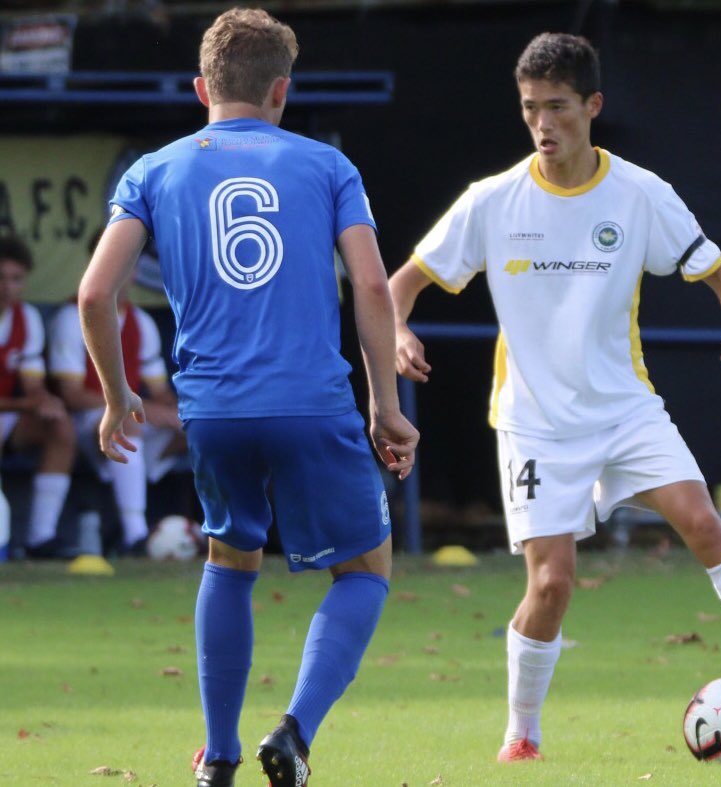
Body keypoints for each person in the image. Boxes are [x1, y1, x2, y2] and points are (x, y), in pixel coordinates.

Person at [388, 32, 721, 763]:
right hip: (534, 422)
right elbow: (399, 285)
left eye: (558, 107)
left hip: (624, 409)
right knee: (554, 583)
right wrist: (400, 330)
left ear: (592, 106)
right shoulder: (493, 201)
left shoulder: (640, 193)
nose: (543, 123)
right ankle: (521, 734)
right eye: (531, 107)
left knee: (702, 520)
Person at [78, 9, 418, 787]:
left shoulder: (152, 171)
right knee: (365, 567)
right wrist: (384, 403)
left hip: (214, 409)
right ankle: (294, 730)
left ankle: (219, 755)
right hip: (311, 402)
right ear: (281, 91)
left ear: (202, 88)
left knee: (230, 559)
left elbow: (97, 293)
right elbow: (369, 282)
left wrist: (117, 395)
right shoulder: (328, 167)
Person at [49, 279, 185, 554]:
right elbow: (72, 395)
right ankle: (135, 535)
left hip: (132, 414)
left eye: (129, 263)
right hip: (87, 419)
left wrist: (178, 411)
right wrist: (141, 407)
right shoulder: (71, 316)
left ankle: (131, 484)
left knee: (199, 425)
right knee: (126, 423)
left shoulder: (141, 321)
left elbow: (160, 392)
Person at [0, 236, 76, 559]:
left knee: (59, 425)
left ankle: (41, 537)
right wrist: (26, 403)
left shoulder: (27, 318)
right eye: (0, 278)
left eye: (15, 279)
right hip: (9, 409)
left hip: (8, 416)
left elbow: (32, 384)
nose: (7, 287)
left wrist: (44, 400)